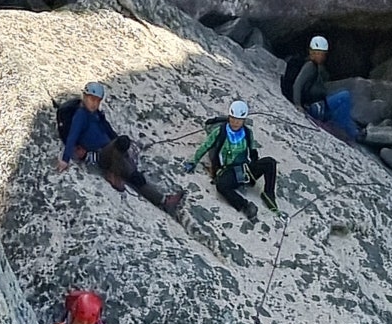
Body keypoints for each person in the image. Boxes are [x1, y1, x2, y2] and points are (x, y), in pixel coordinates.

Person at [59, 83, 184, 216]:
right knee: (124, 147)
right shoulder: (81, 116)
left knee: (135, 176)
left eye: (97, 101)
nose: (94, 104)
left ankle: (162, 200)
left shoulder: (97, 116)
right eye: (91, 99)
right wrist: (65, 160)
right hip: (102, 154)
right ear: (84, 97)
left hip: (112, 152)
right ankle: (114, 175)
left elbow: (110, 133)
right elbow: (72, 136)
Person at [184, 100, 278, 222]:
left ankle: (268, 194)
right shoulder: (220, 132)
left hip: (245, 169)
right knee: (221, 186)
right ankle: (245, 206)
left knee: (270, 162)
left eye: (238, 120)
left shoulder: (247, 133)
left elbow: (253, 151)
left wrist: (254, 166)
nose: (235, 122)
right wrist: (193, 161)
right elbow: (206, 146)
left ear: (243, 120)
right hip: (228, 171)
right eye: (232, 118)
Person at [281, 35, 358, 141]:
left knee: (340, 109)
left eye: (321, 54)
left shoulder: (313, 66)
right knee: (344, 95)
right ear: (311, 52)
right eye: (317, 53)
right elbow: (298, 84)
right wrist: (298, 105)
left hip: (316, 105)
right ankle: (350, 133)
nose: (320, 56)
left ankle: (352, 131)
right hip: (314, 108)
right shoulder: (310, 66)